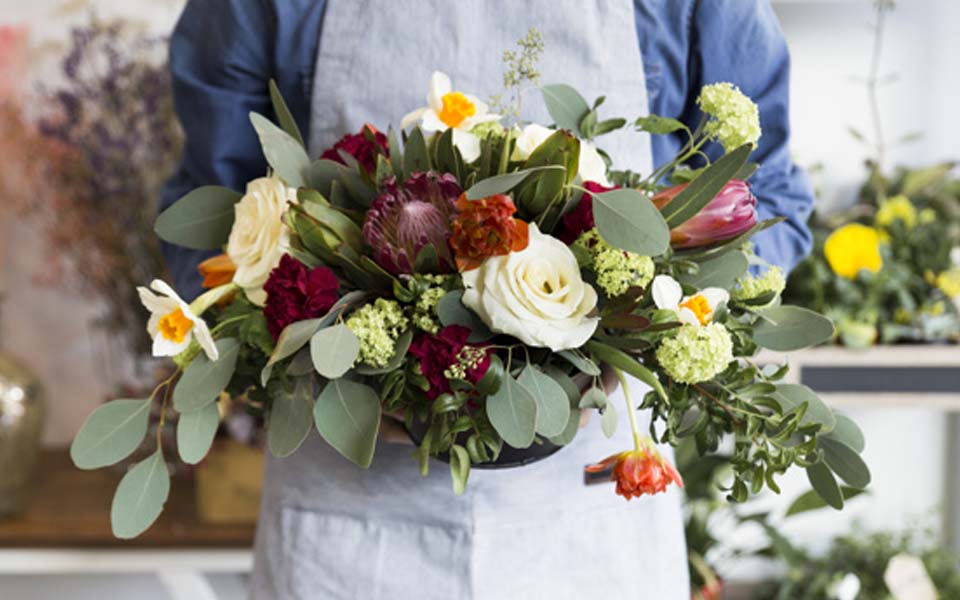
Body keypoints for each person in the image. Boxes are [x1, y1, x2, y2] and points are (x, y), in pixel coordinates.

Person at [161, 1, 814, 598]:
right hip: (346, 521)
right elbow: (209, 230)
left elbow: (770, 203)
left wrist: (650, 335)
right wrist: (310, 356)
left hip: (591, 525)